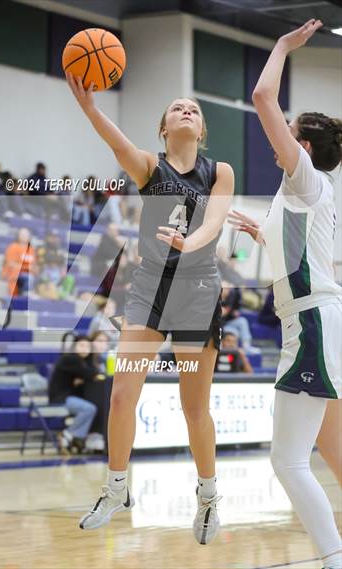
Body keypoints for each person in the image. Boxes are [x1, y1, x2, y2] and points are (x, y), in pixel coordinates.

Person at [66, 71, 234, 542]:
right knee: (122, 395)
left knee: (194, 407)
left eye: (194, 109)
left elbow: (215, 222)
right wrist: (91, 109)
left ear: (201, 130)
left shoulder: (219, 172)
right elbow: (118, 145)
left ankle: (208, 497)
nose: (187, 111)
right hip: (149, 289)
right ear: (164, 128)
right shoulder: (148, 168)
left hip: (197, 289)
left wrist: (189, 243)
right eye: (177, 107)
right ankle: (116, 487)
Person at [229, 20, 341, 569]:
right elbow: (297, 253)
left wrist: (281, 46)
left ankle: (332, 558)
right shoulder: (300, 192)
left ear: (302, 145)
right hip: (315, 319)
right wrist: (262, 234)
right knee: (324, 452)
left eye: (288, 131)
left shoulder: (306, 177)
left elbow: (261, 96)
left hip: (312, 322)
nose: (278, 138)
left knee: (288, 460)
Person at [48, 335, 99, 452]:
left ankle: (74, 439)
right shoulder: (70, 359)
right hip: (60, 398)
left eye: (88, 346)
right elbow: (91, 373)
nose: (85, 349)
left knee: (92, 407)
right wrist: (86, 376)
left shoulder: (83, 362)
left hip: (70, 397)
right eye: (81, 345)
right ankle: (68, 434)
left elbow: (89, 373)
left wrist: (84, 377)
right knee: (90, 409)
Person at [2, 228, 36, 296]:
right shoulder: (13, 247)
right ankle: (24, 297)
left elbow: (34, 265)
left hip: (29, 273)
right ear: (18, 236)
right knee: (29, 278)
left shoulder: (32, 249)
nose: (24, 236)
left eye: (26, 235)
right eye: (22, 234)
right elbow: (11, 264)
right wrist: (27, 267)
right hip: (14, 273)